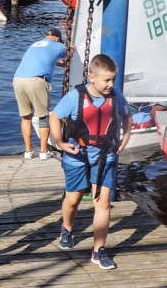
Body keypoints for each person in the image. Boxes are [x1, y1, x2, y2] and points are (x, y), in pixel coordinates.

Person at [50, 54, 131, 270]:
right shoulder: (75, 97)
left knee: (103, 202)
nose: (111, 84)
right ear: (92, 77)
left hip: (106, 157)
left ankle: (98, 251)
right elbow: (54, 116)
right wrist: (60, 142)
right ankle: (67, 228)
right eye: (107, 80)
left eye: (113, 79)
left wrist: (124, 140)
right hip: (77, 157)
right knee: (73, 200)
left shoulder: (116, 97)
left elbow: (126, 116)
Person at [13, 28, 71, 160]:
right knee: (43, 117)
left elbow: (45, 60)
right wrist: (72, 48)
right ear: (57, 39)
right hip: (36, 81)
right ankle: (44, 152)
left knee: (26, 117)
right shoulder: (58, 45)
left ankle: (28, 151)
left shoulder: (34, 45)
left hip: (18, 80)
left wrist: (57, 63)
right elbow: (70, 53)